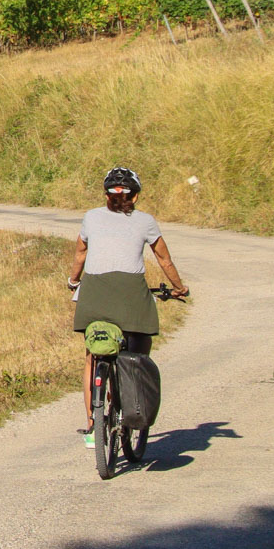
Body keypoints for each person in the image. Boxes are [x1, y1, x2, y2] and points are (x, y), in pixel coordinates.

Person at [69, 166, 187, 445]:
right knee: (138, 356)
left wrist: (73, 281)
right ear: (135, 196)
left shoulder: (90, 217)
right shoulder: (146, 221)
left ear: (107, 196)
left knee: (92, 356)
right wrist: (179, 288)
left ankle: (91, 426)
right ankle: (130, 406)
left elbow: (80, 253)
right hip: (132, 294)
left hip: (94, 293)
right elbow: (164, 259)